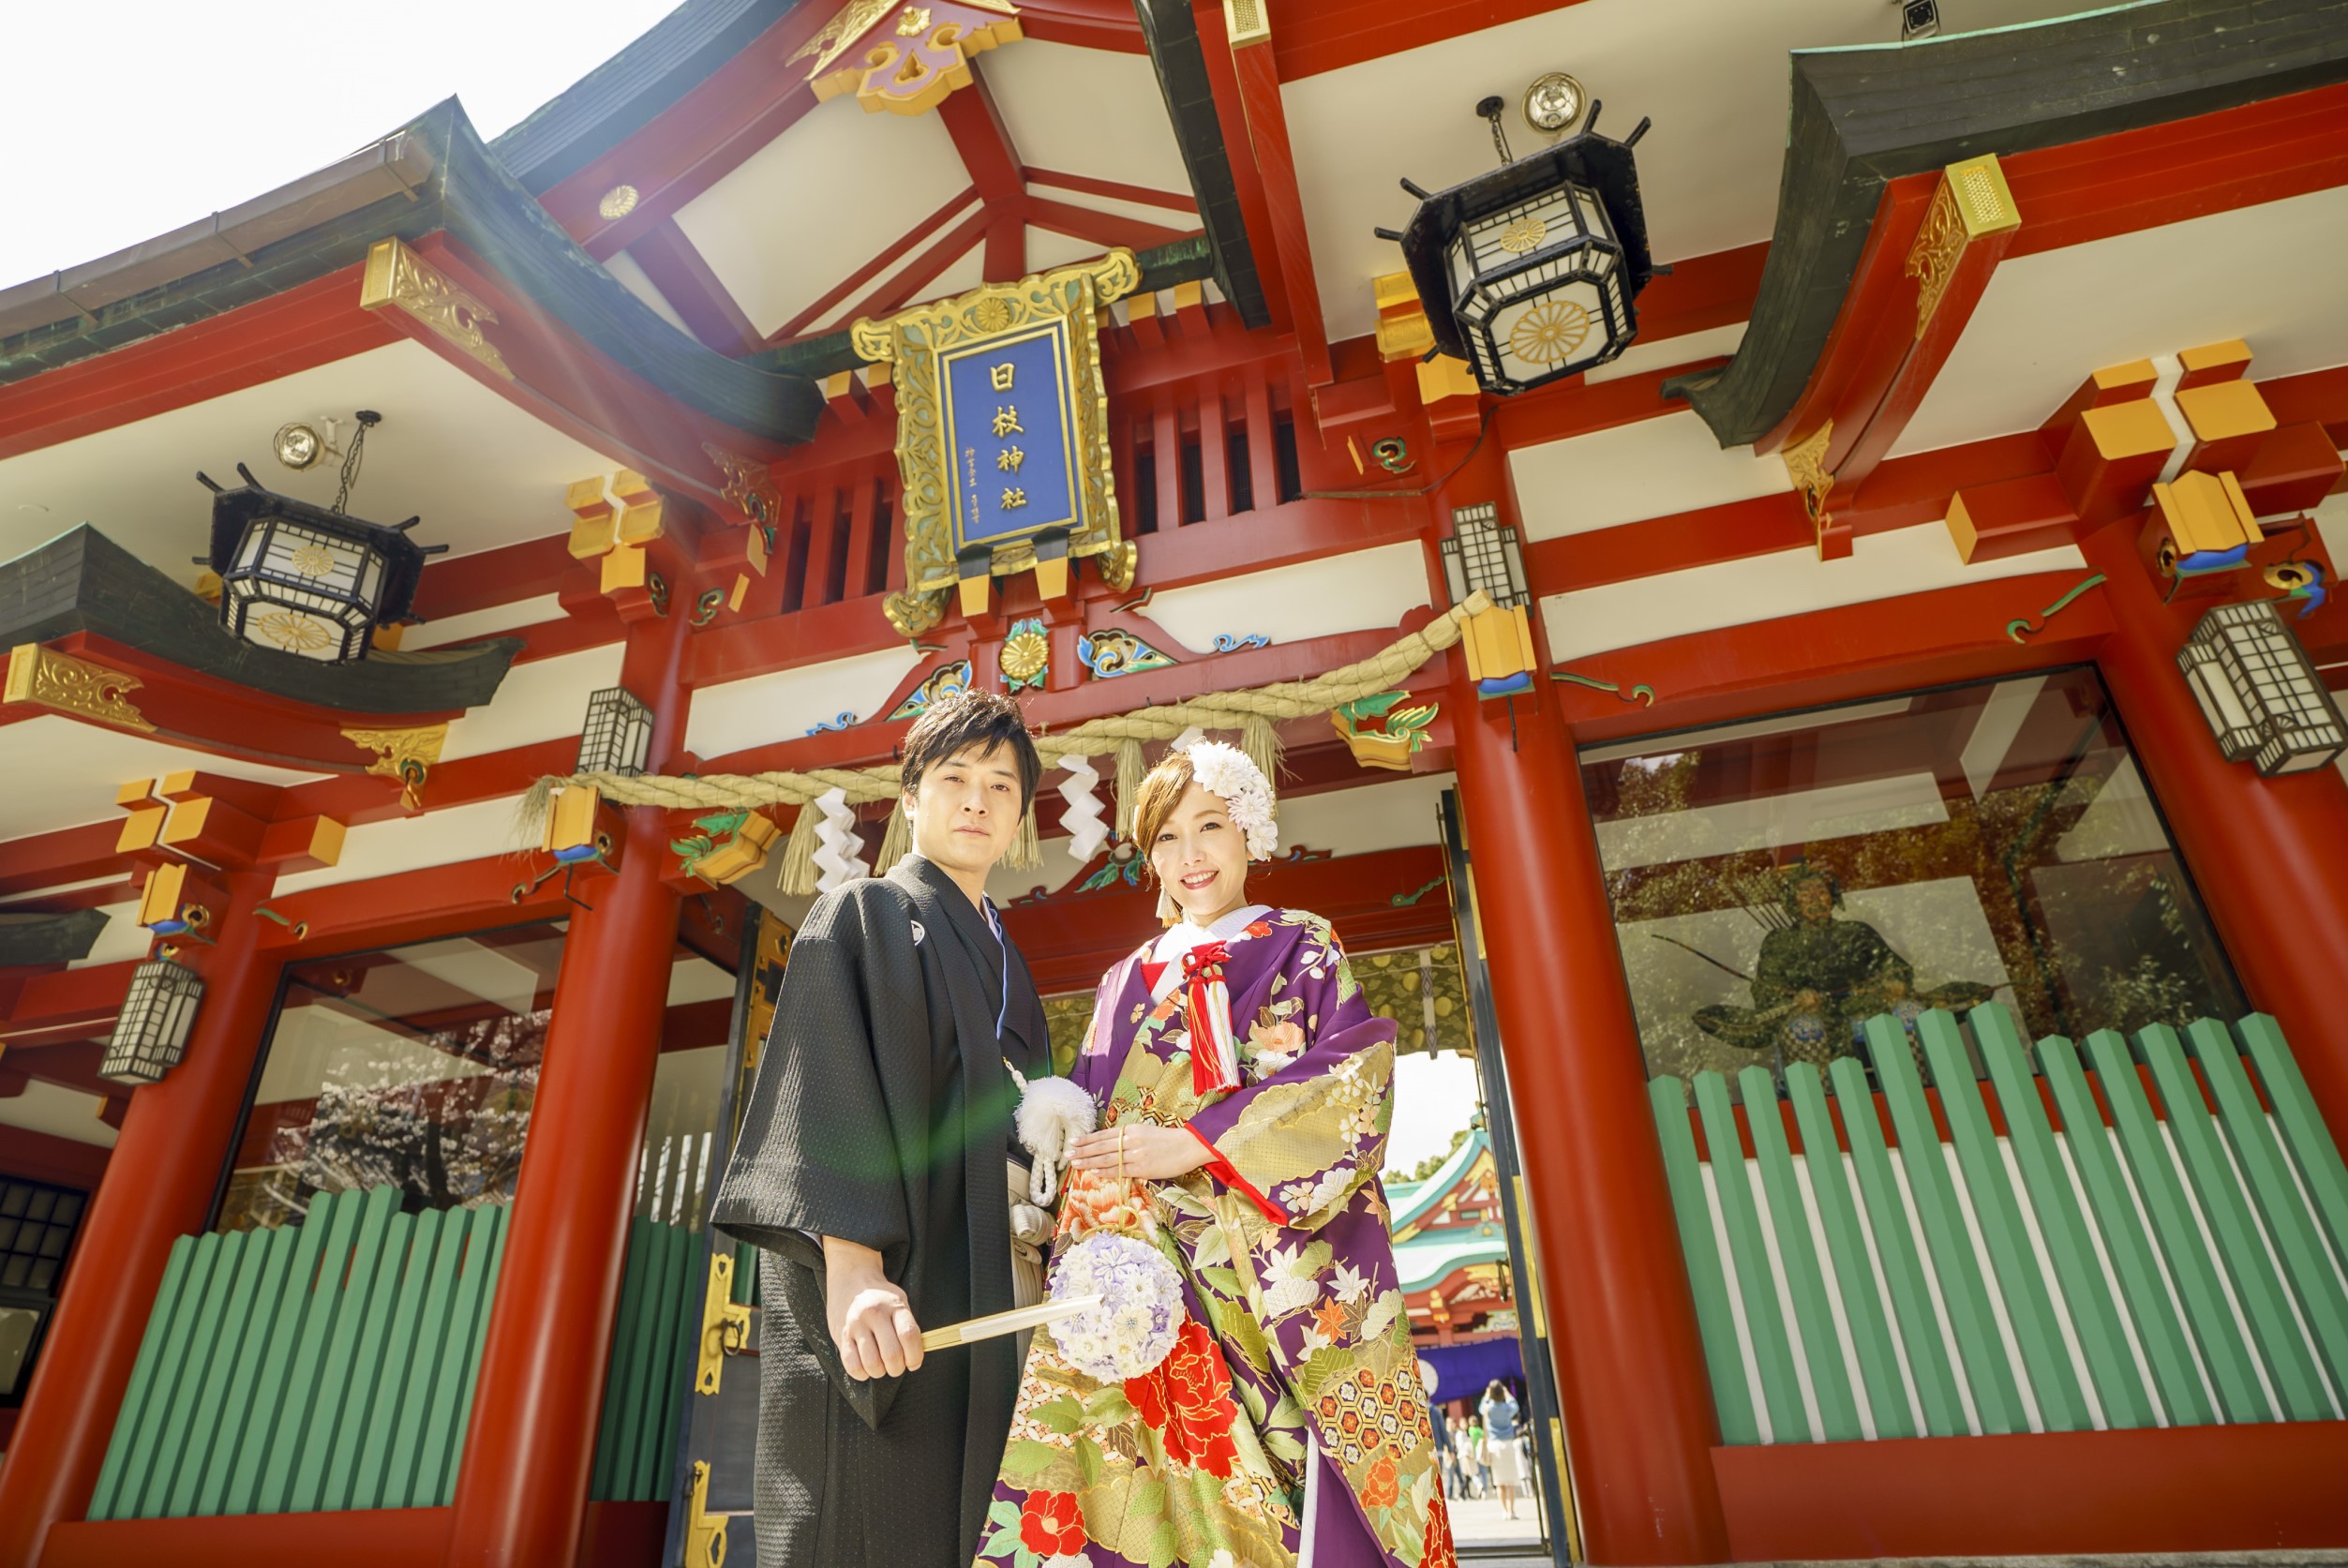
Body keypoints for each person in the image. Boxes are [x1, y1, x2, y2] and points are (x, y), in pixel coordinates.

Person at [975, 742, 1457, 1567]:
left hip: (1270, 1264)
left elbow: (1350, 1082)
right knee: (1145, 1476)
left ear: (1250, 833)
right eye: (1166, 837)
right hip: (1146, 1269)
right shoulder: (1124, 980)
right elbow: (1094, 1113)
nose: (1189, 855)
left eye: (1210, 827)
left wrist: (1196, 1141)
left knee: (1303, 1464)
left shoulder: (1303, 944)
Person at [710, 690, 1053, 1568]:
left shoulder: (1010, 964)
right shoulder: (864, 915)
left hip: (998, 1281)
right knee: (877, 1511)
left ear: (1019, 814)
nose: (978, 800)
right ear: (911, 797)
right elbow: (822, 1087)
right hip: (900, 1281)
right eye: (955, 777)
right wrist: (853, 1267)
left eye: (1001, 786)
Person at [1479, 1381, 1522, 1521]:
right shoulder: (1506, 1408)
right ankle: (1512, 1511)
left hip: (1494, 1445)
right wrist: (1508, 1394)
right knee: (1510, 1481)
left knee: (1500, 1482)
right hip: (1508, 1444)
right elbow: (1515, 1406)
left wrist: (1486, 1396)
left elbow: (1481, 1408)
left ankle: (1504, 1511)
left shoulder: (1488, 1408)